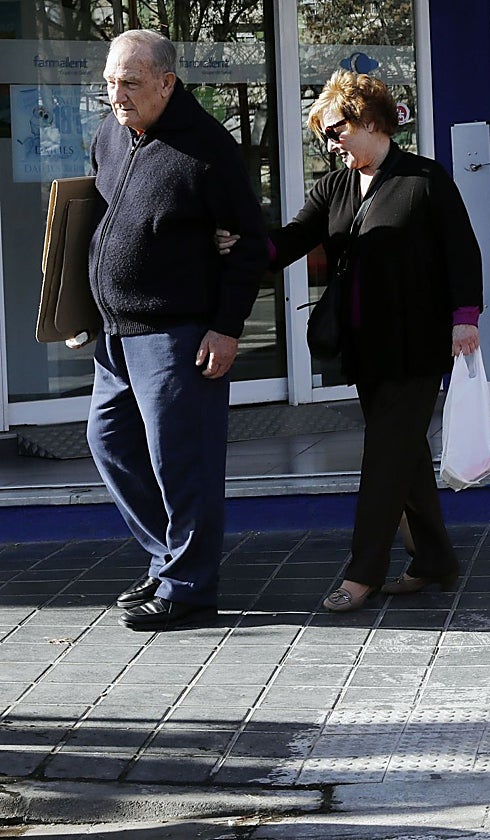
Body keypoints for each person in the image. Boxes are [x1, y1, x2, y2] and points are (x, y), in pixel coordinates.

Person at [268, 71, 483, 612]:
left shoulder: (425, 179)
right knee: (404, 456)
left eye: (337, 130)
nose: (332, 143)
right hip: (364, 349)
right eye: (325, 135)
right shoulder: (336, 185)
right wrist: (241, 250)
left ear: (369, 121)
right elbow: (295, 237)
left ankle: (363, 571)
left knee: (384, 457)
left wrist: (465, 317)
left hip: (416, 346)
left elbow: (462, 252)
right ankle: (434, 559)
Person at [87, 30, 267, 632]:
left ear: (167, 82)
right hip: (117, 331)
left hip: (178, 333)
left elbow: (248, 247)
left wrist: (226, 328)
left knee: (181, 461)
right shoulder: (112, 134)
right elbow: (101, 217)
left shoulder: (209, 151)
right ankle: (169, 561)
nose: (117, 95)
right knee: (109, 441)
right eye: (111, 81)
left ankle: (189, 589)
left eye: (131, 83)